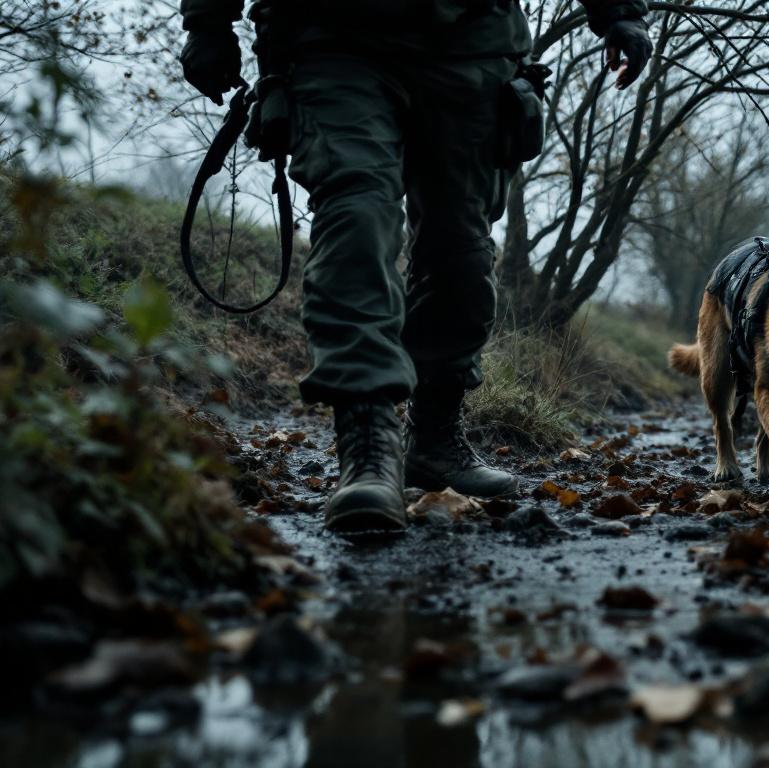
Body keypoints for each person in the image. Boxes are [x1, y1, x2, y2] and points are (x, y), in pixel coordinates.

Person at [178, 0, 651, 533]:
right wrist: (207, 21)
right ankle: (369, 446)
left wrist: (618, 12)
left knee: (462, 252)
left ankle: (434, 438)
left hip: (473, 47)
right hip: (329, 40)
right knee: (356, 217)